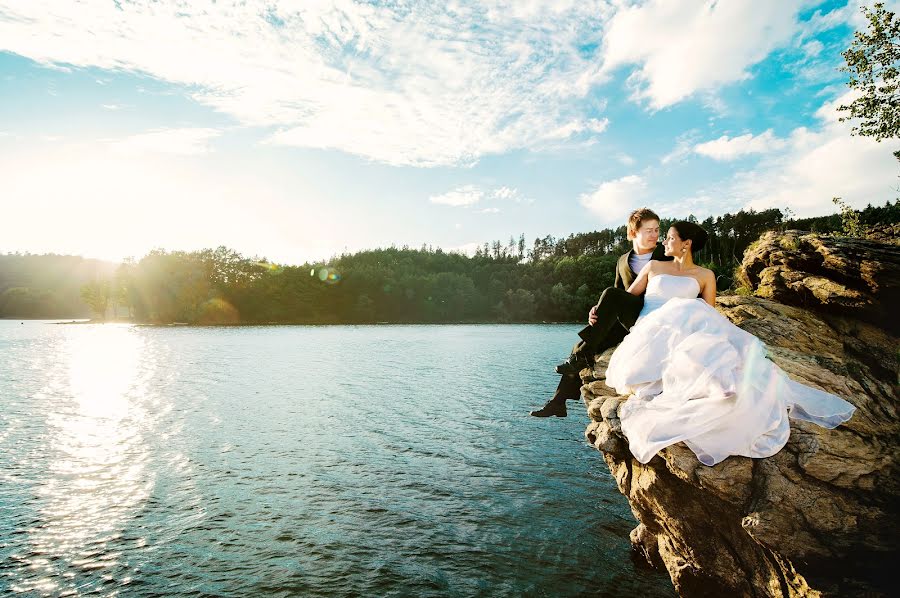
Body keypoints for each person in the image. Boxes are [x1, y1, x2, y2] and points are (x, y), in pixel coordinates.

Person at [605, 221, 856, 466]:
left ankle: (719, 383)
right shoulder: (655, 266)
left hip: (688, 327)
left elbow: (711, 314)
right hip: (653, 329)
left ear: (686, 244)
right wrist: (598, 311)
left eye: (670, 237)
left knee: (698, 319)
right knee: (689, 309)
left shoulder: (705, 275)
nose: (664, 241)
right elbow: (623, 299)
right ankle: (715, 382)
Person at [530, 208, 672, 418]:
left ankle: (580, 357)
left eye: (657, 230)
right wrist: (597, 310)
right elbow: (618, 293)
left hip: (652, 316)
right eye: (649, 230)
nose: (655, 235)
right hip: (627, 319)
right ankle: (558, 402)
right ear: (633, 233)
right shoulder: (623, 260)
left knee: (584, 347)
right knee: (580, 346)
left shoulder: (667, 254)